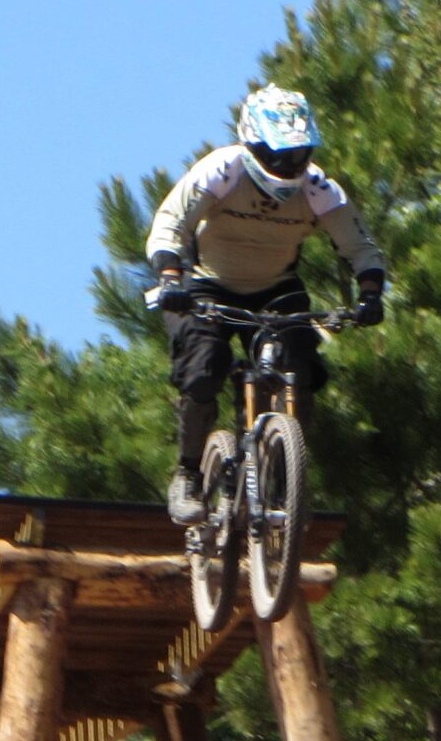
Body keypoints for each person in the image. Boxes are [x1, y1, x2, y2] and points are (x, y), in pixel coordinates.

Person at [145, 85, 387, 525]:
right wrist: (170, 277)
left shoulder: (317, 188)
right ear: (253, 144)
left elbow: (360, 246)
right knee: (204, 367)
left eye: (298, 154)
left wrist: (370, 293)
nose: (289, 166)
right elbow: (170, 224)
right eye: (278, 155)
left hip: (276, 289)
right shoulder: (222, 171)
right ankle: (188, 475)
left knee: (301, 369)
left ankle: (285, 472)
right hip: (205, 286)